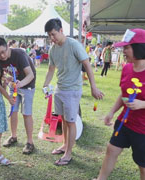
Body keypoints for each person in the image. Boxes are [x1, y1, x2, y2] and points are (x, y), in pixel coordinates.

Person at [94, 29, 145, 180]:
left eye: (126, 47)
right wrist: (111, 112)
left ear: (139, 48)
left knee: (144, 167)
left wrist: (143, 104)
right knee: (111, 149)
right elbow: (123, 94)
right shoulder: (127, 68)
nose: (123, 51)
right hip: (125, 121)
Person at [43, 18, 104, 166]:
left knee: (71, 122)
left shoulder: (74, 45)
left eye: (53, 34)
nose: (52, 38)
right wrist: (45, 85)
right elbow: (51, 69)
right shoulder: (53, 49)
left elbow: (87, 65)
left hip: (72, 90)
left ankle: (68, 154)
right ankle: (65, 145)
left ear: (61, 31)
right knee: (63, 120)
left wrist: (93, 87)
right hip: (59, 89)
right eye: (49, 35)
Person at [0, 37, 36, 155]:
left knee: (26, 113)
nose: (2, 56)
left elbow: (30, 75)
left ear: (7, 46)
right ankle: (13, 136)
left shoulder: (19, 54)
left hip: (27, 85)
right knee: (13, 111)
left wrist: (21, 83)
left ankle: (30, 142)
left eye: (3, 51)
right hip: (14, 86)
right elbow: (2, 75)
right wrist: (7, 79)